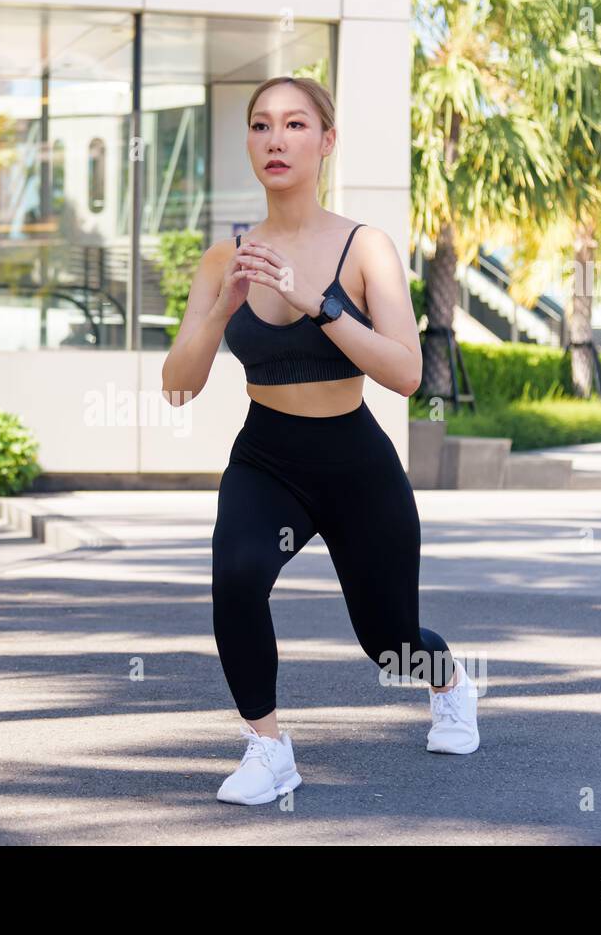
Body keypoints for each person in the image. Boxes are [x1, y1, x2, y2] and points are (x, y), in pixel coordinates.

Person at [160, 76, 480, 806]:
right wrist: (221, 310)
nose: (277, 139)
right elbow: (179, 381)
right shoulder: (224, 258)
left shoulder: (366, 247)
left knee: (388, 643)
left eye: (296, 125)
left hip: (355, 462)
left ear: (326, 142)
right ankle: (269, 749)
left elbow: (404, 373)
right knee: (238, 576)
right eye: (262, 125)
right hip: (267, 459)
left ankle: (450, 681)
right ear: (249, 142)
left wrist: (322, 304)